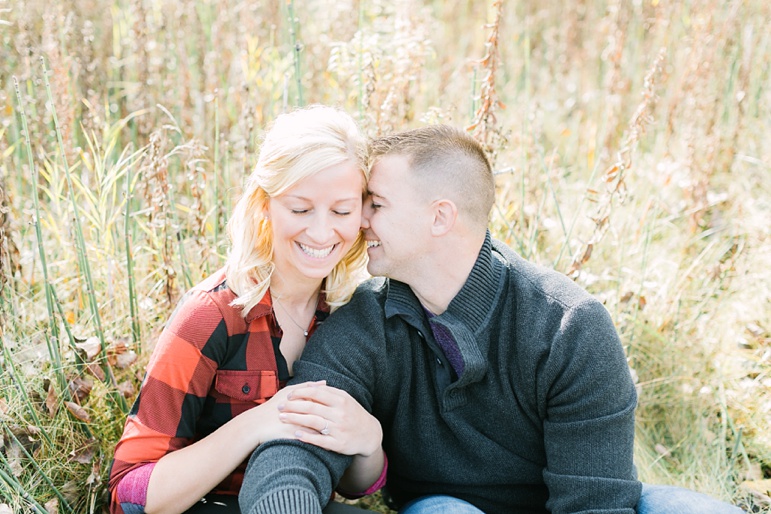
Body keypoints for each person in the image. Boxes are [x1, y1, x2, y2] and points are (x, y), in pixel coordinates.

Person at [238, 125, 745, 514]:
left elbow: (595, 503)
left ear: (440, 217)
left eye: (377, 204)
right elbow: (289, 452)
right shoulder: (365, 324)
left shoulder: (569, 327)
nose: (359, 221)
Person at [108, 105, 386, 514]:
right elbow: (129, 494)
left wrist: (369, 441)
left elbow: (352, 486)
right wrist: (257, 424)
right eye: (300, 208)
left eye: (341, 211)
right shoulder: (211, 316)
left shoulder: (348, 314)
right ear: (264, 206)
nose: (323, 231)